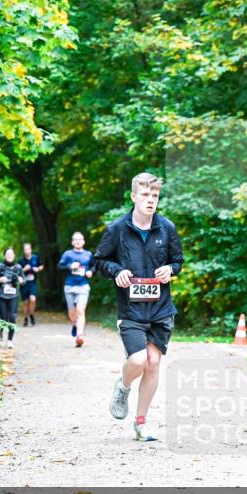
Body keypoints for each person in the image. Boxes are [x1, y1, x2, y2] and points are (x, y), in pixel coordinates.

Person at [93, 172, 183, 442]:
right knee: (138, 360)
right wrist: (116, 270)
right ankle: (123, 385)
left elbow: (178, 261)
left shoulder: (166, 228)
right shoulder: (117, 229)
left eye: (155, 195)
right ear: (133, 197)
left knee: (154, 363)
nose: (151, 200)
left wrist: (170, 269)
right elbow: (99, 261)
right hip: (131, 310)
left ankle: (141, 423)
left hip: (160, 309)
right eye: (145, 195)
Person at [57, 232, 93, 348]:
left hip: (83, 286)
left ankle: (79, 336)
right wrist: (69, 267)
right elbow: (59, 266)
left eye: (80, 239)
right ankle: (74, 324)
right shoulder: (68, 254)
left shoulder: (88, 254)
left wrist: (91, 271)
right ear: (72, 242)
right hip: (69, 286)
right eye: (75, 240)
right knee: (72, 313)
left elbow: (95, 266)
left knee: (80, 310)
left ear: (83, 241)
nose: (78, 241)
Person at [0, 247, 25, 348]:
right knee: (3, 317)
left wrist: (21, 281)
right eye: (7, 254)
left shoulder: (18, 267)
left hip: (14, 295)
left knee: (12, 317)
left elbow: (24, 280)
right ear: (4, 256)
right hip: (1, 296)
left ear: (14, 256)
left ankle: (10, 340)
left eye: (11, 254)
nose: (9, 256)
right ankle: (1, 330)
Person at [18, 242, 44, 326]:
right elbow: (17, 271)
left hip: (33, 282)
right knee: (26, 302)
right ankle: (26, 318)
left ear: (31, 250)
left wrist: (38, 269)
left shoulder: (36, 258)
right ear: (23, 251)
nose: (27, 251)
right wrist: (24, 269)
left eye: (28, 249)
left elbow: (41, 266)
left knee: (33, 299)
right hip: (24, 283)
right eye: (25, 249)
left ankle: (32, 315)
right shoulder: (21, 260)